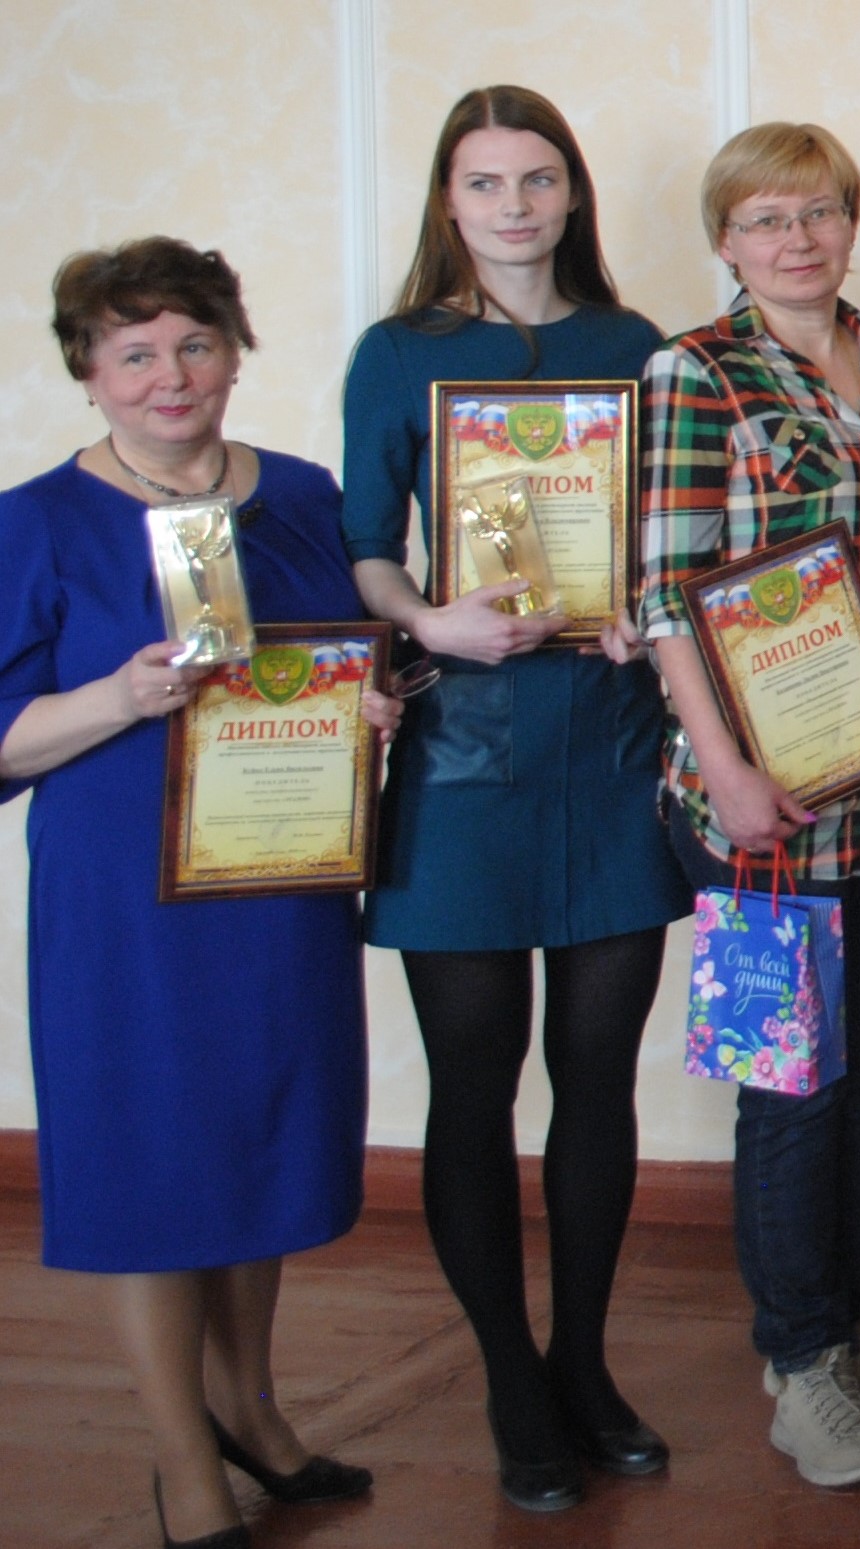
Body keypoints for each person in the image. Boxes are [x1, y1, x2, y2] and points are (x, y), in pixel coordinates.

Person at [8, 237, 401, 1549]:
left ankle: (254, 1412)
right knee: (149, 1159)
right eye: (135, 353)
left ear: (235, 352)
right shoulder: (33, 522)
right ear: (87, 372)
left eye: (195, 343)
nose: (170, 375)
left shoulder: (301, 495)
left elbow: (348, 654)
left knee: (259, 1143)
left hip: (276, 878)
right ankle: (184, 1457)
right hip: (125, 901)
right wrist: (118, 697)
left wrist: (371, 704)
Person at [334, 84, 692, 1511]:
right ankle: (507, 1377)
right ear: (449, 202)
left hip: (607, 745)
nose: (515, 207)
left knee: (598, 1078)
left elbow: (662, 534)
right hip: (465, 756)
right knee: (475, 1082)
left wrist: (638, 613)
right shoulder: (397, 352)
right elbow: (367, 548)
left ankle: (583, 1362)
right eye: (485, 184)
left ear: (573, 193)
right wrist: (428, 621)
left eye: (538, 179)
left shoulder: (634, 344)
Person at [634, 120, 860, 1491]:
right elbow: (666, 595)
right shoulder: (693, 372)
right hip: (759, 796)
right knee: (789, 1080)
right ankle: (799, 1362)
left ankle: (858, 1324)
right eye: (767, 218)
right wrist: (724, 769)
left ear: (851, 221)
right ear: (726, 238)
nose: (797, 239)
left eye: (819, 211)